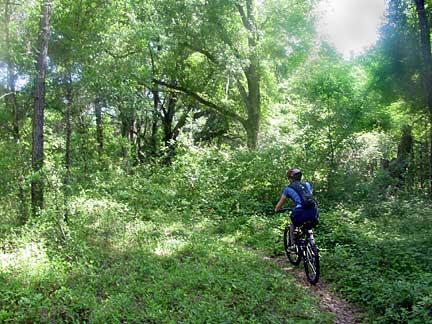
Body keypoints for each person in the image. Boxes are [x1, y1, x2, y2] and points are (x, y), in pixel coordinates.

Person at [274, 168, 318, 240]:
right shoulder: (307, 184)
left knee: (293, 225)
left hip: (300, 211)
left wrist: (277, 209)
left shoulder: (288, 189)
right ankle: (311, 241)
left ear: (290, 178)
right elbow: (309, 197)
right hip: (313, 209)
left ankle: (293, 246)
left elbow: (280, 204)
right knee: (308, 225)